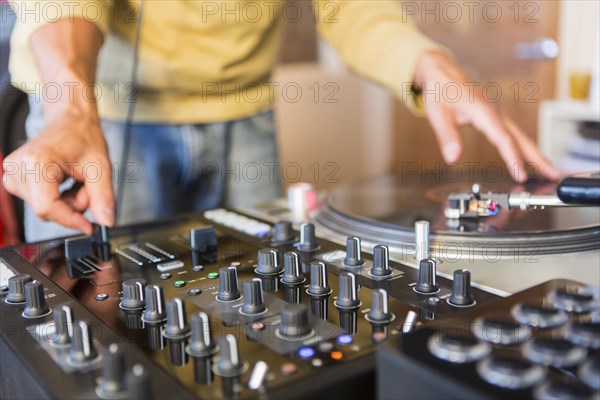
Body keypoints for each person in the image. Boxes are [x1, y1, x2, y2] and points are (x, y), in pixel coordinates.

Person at [2, 1, 559, 242]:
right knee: (93, 328)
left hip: (245, 115)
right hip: (101, 113)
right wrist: (71, 106)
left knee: (258, 312)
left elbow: (352, 7)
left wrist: (426, 61)